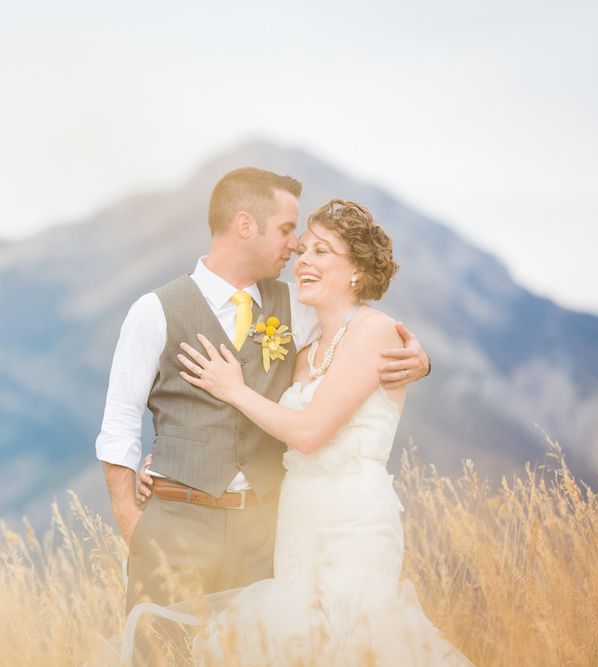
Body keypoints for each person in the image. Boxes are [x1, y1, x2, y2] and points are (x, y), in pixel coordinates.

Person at [120, 199, 472, 664]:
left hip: (354, 522)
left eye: (322, 251)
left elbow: (308, 433)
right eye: (303, 249)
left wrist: (234, 388)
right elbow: (263, 432)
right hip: (294, 525)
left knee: (356, 644)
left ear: (357, 272)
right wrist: (162, 467)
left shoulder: (377, 331)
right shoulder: (304, 351)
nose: (303, 260)